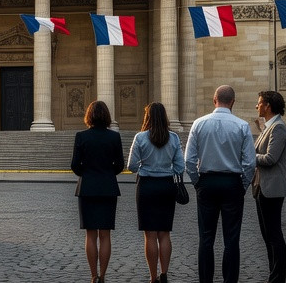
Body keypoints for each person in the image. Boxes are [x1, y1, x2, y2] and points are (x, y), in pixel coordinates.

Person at [183, 85, 254, 283]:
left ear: (214, 100)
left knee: (206, 238)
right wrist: (243, 185)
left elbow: (189, 160)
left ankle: (206, 280)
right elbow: (249, 162)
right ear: (233, 102)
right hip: (232, 183)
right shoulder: (242, 125)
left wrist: (197, 182)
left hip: (207, 182)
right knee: (232, 239)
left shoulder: (198, 123)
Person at [127, 102, 182, 283]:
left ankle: (152, 277)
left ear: (147, 117)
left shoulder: (141, 137)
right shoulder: (173, 138)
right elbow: (180, 167)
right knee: (164, 233)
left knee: (150, 234)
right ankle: (164, 273)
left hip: (147, 186)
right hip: (167, 186)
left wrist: (147, 165)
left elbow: (132, 166)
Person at [72, 100, 123, 283]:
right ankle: (103, 275)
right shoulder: (114, 137)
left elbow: (74, 165)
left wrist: (86, 174)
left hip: (87, 188)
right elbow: (120, 165)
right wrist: (108, 173)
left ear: (89, 116)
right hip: (108, 188)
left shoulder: (81, 136)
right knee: (105, 234)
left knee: (91, 234)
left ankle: (93, 275)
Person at [252, 90, 286, 283]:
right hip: (263, 186)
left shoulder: (278, 128)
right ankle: (273, 275)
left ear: (268, 106)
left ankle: (277, 278)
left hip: (272, 187)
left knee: (274, 234)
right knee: (268, 235)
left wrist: (248, 157)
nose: (257, 106)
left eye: (259, 103)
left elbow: (270, 158)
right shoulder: (270, 127)